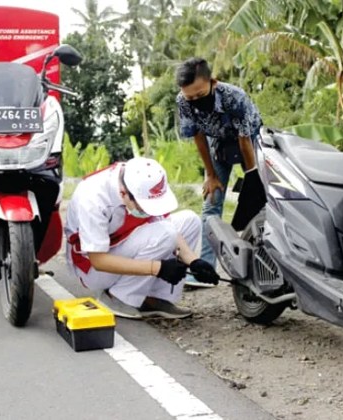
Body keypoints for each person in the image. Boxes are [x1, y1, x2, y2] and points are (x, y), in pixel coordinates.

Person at [64, 157, 219, 319]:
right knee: (164, 234)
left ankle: (155, 298)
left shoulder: (140, 180)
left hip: (121, 244)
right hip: (91, 268)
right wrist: (158, 268)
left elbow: (166, 224)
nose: (148, 211)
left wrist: (194, 262)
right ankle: (118, 297)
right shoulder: (92, 198)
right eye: (144, 207)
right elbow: (98, 260)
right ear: (123, 194)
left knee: (190, 220)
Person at [175, 57, 263, 288]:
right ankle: (204, 270)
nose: (195, 100)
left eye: (200, 95)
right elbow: (198, 136)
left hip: (251, 142)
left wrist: (253, 177)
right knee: (211, 202)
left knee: (259, 204)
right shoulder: (183, 101)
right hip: (218, 144)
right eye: (190, 97)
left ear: (213, 82)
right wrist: (211, 175)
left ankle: (258, 266)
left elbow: (245, 139)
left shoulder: (234, 97)